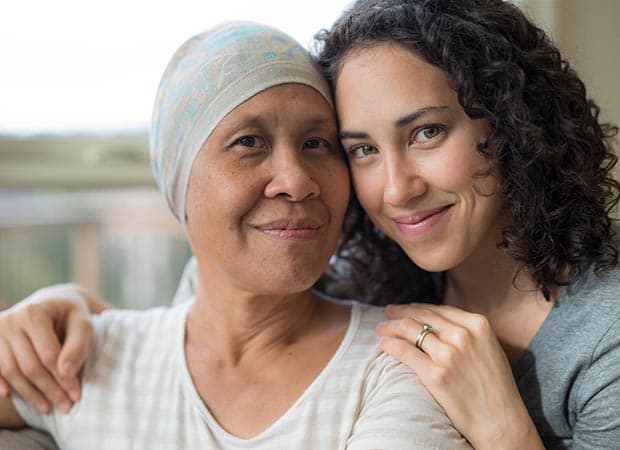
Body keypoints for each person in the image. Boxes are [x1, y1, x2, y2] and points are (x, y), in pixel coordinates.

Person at [2, 0, 620, 448]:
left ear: (511, 124)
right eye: (360, 149)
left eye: (427, 132)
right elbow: (219, 312)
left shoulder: (606, 338)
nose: (397, 188)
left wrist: (504, 428)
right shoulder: (362, 282)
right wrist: (66, 305)